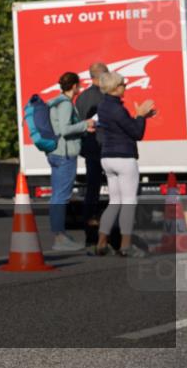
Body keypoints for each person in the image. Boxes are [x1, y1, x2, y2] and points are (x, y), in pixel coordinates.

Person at [92, 71, 156, 258]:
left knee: (114, 202)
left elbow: (123, 127)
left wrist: (141, 117)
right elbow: (136, 133)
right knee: (129, 202)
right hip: (124, 158)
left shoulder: (103, 106)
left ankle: (101, 243)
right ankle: (126, 246)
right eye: (123, 84)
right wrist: (141, 116)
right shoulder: (118, 109)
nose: (125, 87)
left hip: (107, 157)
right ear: (115, 87)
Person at [47, 72, 95, 251]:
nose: (79, 87)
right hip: (65, 154)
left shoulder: (55, 101)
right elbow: (65, 129)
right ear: (74, 86)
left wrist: (82, 129)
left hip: (56, 152)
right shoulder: (66, 104)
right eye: (79, 85)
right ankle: (59, 238)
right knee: (61, 196)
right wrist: (86, 124)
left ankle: (60, 235)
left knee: (57, 196)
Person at [75, 61, 108, 247]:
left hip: (89, 148)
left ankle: (90, 234)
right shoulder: (105, 96)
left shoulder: (81, 98)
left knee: (91, 192)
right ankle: (111, 233)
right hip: (105, 148)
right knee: (116, 193)